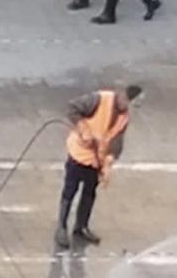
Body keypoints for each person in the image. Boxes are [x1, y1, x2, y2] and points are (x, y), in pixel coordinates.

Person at [55, 84, 143, 248]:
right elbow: (73, 108)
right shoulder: (99, 99)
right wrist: (83, 128)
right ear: (125, 98)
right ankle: (61, 227)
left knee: (89, 193)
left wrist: (109, 162)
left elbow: (117, 141)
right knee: (70, 190)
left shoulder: (124, 117)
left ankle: (81, 227)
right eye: (133, 104)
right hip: (79, 153)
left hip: (96, 159)